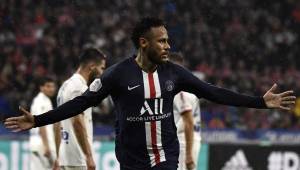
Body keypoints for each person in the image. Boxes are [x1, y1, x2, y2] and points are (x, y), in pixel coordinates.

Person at [4, 17, 296, 170]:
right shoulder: (117, 74)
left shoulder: (174, 73)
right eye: (162, 41)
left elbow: (214, 92)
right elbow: (82, 103)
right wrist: (38, 121)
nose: (168, 46)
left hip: (165, 156)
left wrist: (260, 102)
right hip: (130, 159)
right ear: (143, 43)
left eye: (168, 40)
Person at [52, 48, 106, 170]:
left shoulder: (65, 86)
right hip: (77, 158)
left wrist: (57, 156)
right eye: (101, 68)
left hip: (66, 156)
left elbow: (56, 123)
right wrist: (89, 156)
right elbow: (77, 122)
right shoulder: (79, 88)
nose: (102, 73)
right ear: (92, 66)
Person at [169, 52, 201, 170]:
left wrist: (188, 155)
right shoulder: (187, 85)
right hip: (188, 140)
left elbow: (188, 122)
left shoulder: (180, 91)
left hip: (184, 142)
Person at [29, 77, 56, 170]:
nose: (51, 89)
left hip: (38, 142)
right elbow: (41, 123)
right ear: (41, 87)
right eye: (48, 86)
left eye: (53, 86)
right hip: (42, 143)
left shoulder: (43, 100)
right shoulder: (41, 102)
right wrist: (46, 145)